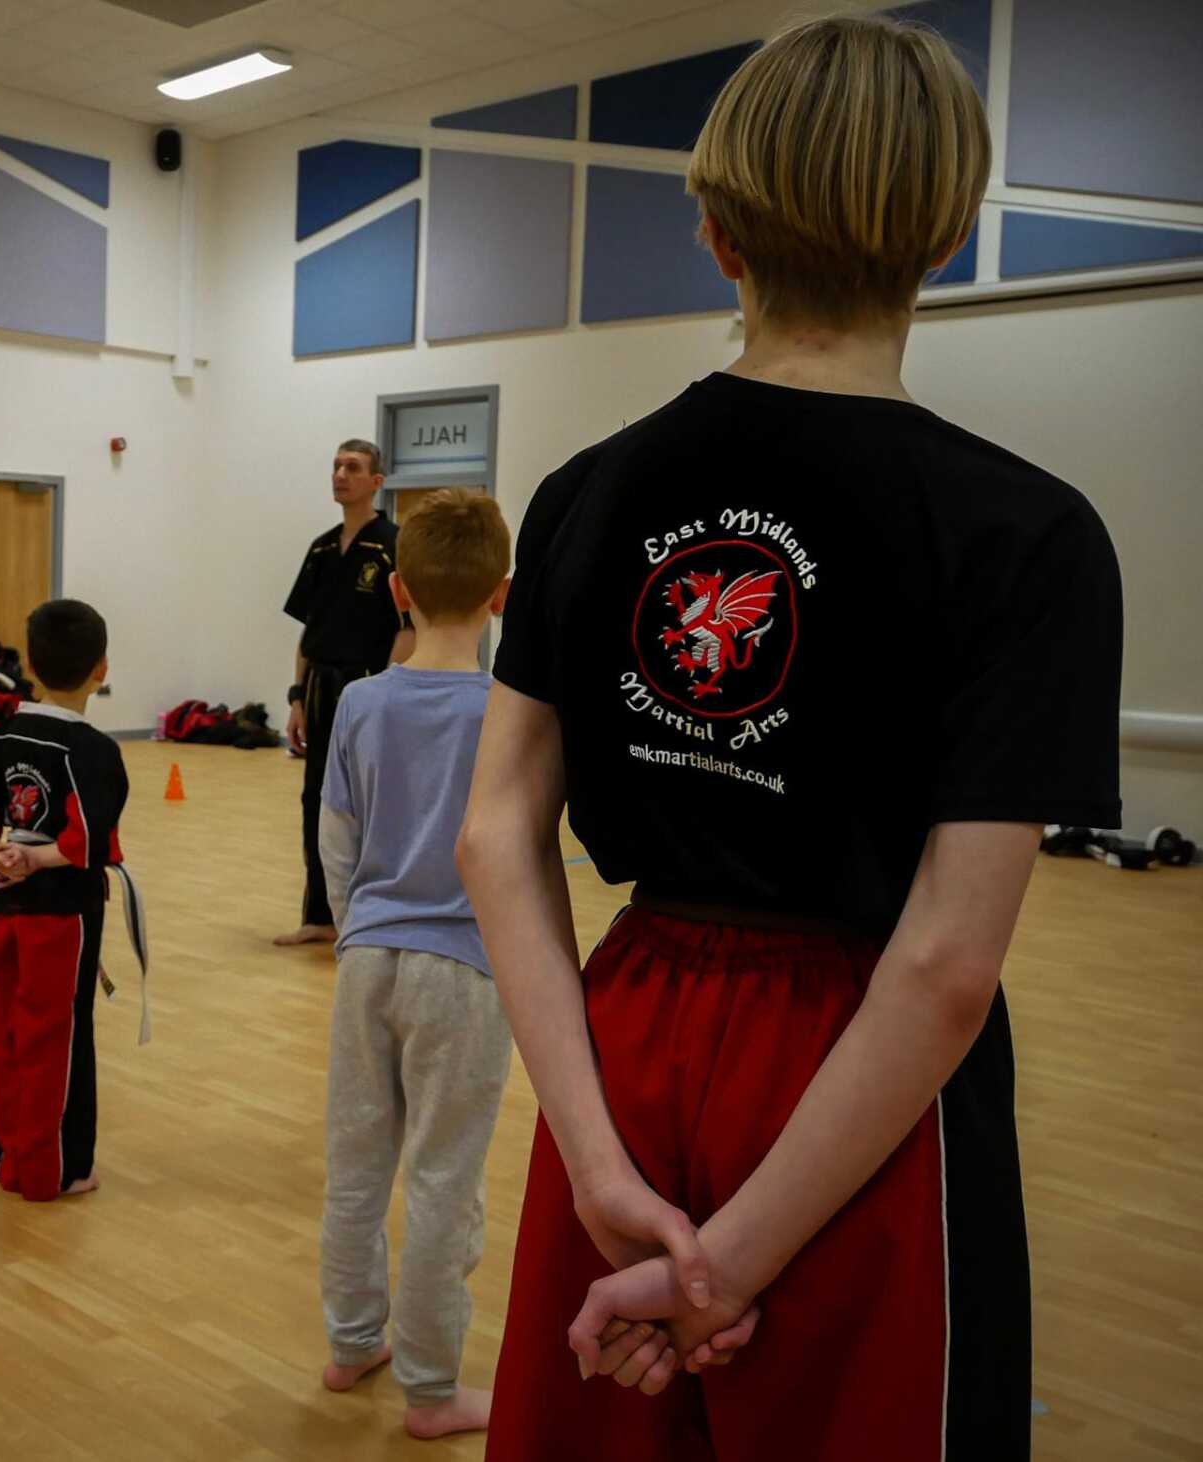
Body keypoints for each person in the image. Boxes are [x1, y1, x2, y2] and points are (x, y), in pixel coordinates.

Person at [459, 16, 1123, 1461]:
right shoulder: (1028, 533)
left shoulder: (582, 491)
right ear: (944, 236)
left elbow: (495, 829)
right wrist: (738, 1261)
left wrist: (592, 1157)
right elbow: (947, 961)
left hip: (621, 1039)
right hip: (856, 1065)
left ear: (713, 234)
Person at [316, 491, 514, 1441]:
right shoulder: (513, 715)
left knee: (356, 1164)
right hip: (464, 974)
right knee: (443, 1180)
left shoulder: (358, 700)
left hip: (368, 961)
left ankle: (352, 1341)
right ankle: (433, 1391)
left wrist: (359, 925)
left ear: (397, 588)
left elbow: (336, 839)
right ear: (503, 595)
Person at [0, 599, 130, 1201]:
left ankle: (9, 1155)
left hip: (1, 903)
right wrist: (36, 857)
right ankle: (58, 1168)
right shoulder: (96, 751)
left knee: (3, 1028)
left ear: (28, 661)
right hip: (64, 912)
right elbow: (87, 840)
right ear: (101, 668)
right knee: (58, 1032)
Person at [278, 440, 414, 947]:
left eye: (352, 468)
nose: (340, 475)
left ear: (376, 482)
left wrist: (384, 693)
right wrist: (297, 696)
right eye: (336, 466)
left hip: (368, 686)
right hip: (320, 688)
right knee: (316, 799)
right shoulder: (320, 548)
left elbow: (407, 629)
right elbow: (308, 630)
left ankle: (370, 917)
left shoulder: (393, 545)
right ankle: (319, 915)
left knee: (366, 804)